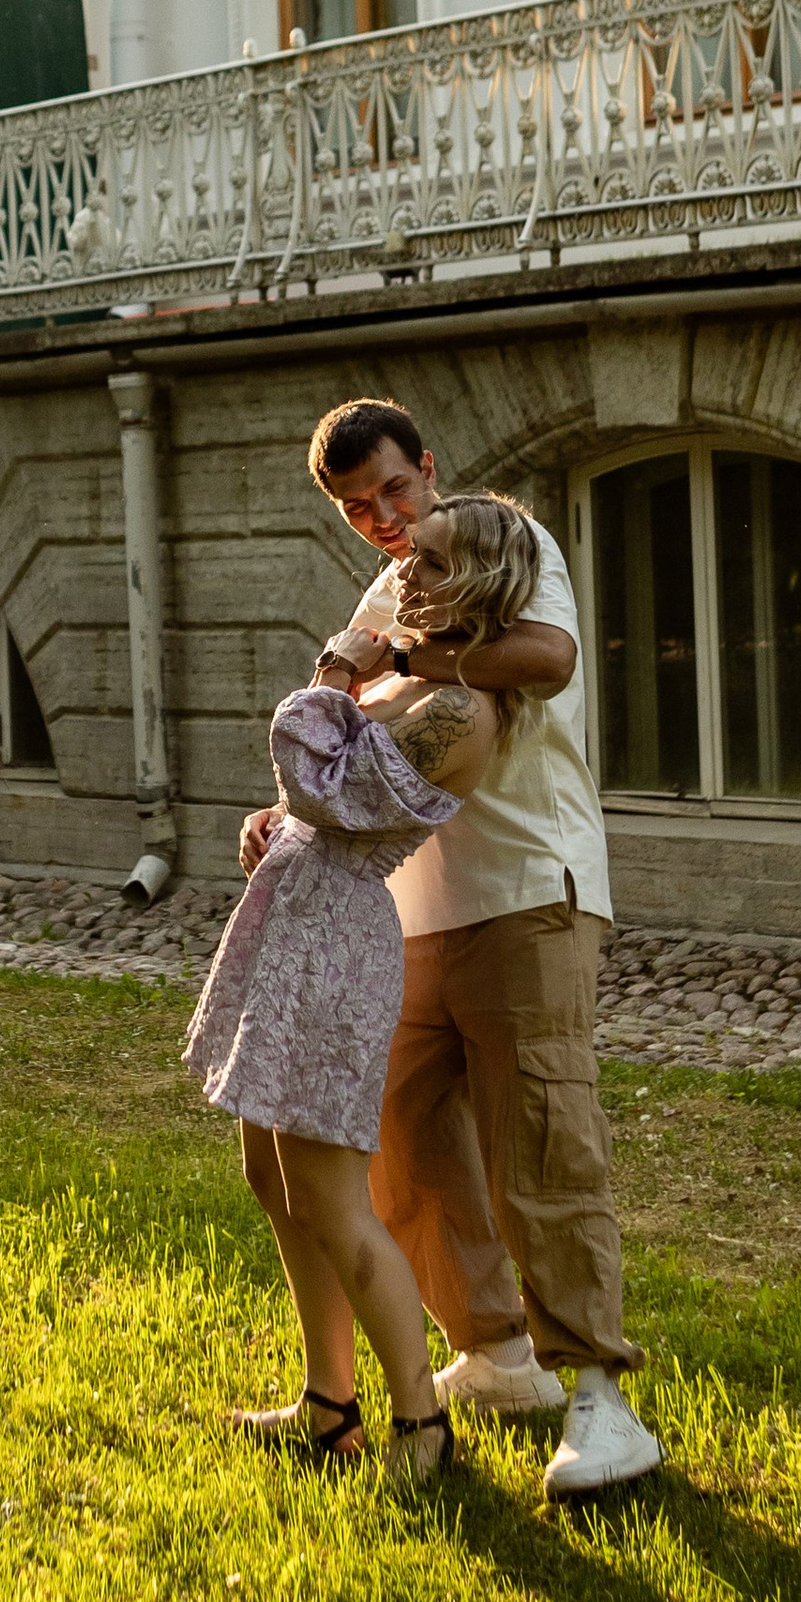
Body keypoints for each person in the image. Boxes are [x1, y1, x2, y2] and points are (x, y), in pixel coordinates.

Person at [242, 397, 662, 1503]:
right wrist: (278, 814)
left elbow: (547, 657)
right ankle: (496, 1353)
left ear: (427, 467)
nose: (382, 517)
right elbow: (345, 734)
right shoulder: (389, 588)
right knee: (391, 1139)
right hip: (407, 909)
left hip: (529, 889)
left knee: (542, 1142)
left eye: (392, 488)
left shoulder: (501, 547)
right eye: (356, 507)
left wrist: (399, 652)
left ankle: (601, 1400)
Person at [187, 633, 502, 1485]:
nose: (412, 582)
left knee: (333, 1201)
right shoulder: (408, 681)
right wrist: (271, 821)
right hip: (295, 928)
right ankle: (328, 1404)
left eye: (433, 571)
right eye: (414, 571)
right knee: (271, 1176)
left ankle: (423, 1425)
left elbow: (319, 782)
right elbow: (307, 796)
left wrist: (333, 671)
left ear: (481, 587)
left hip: (333, 949)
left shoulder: (462, 708)